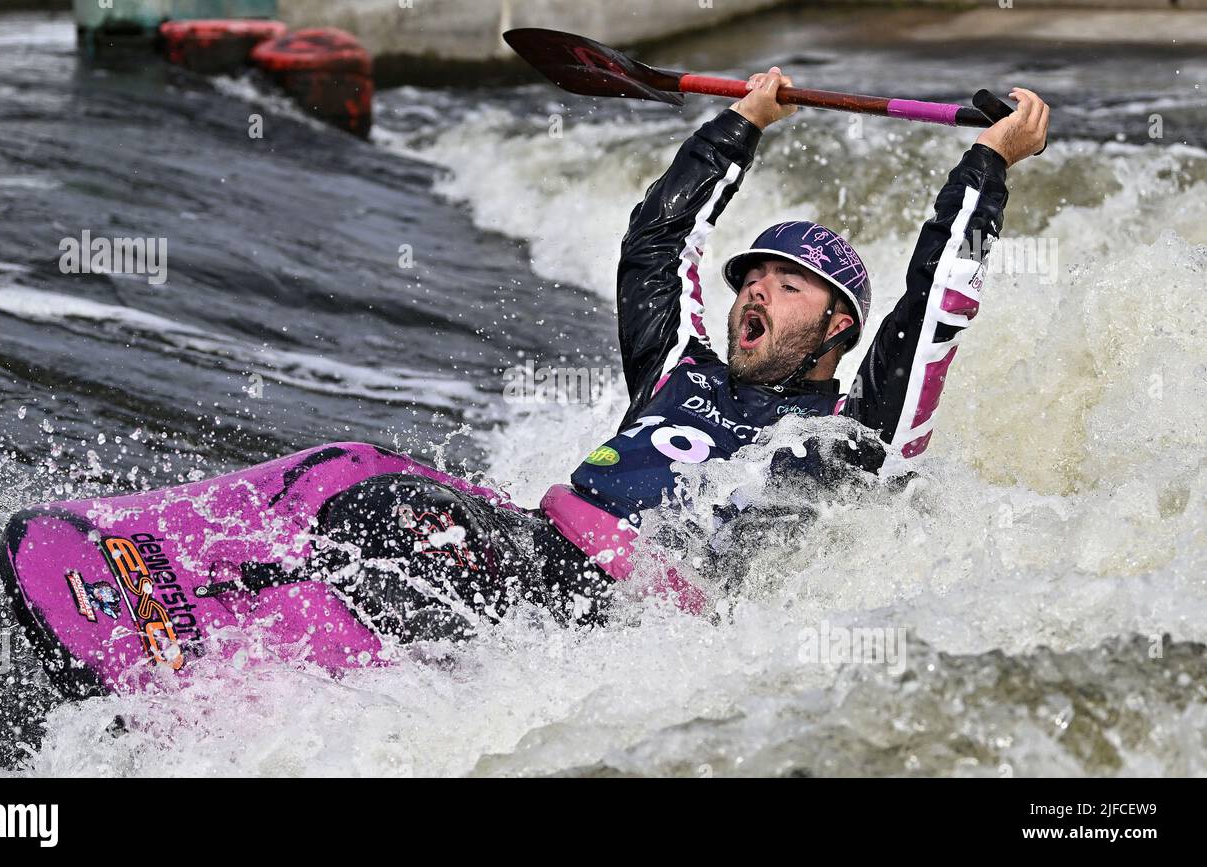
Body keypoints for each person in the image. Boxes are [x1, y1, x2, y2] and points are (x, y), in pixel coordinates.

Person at [274, 70, 1050, 643]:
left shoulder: (855, 436)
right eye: (751, 280)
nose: (756, 294)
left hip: (632, 623)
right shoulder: (679, 366)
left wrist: (987, 162)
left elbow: (935, 302)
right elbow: (656, 241)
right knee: (368, 490)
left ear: (839, 326)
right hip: (539, 550)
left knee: (397, 533)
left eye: (788, 287)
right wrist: (742, 123)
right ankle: (264, 615)